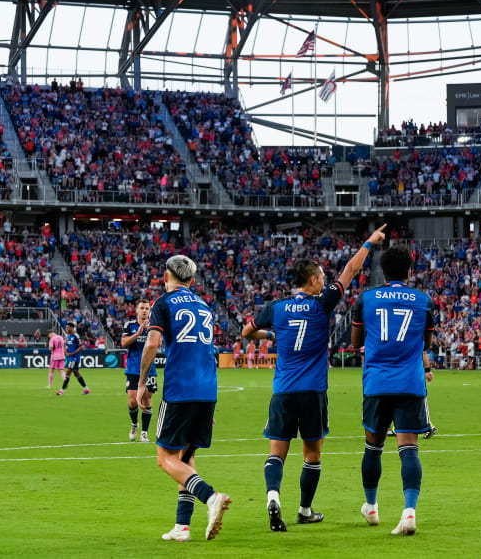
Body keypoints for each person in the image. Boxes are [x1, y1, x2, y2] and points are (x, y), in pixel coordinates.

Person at [243, 225, 386, 532]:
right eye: (321, 276)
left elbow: (246, 332)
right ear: (312, 280)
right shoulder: (322, 304)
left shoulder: (276, 307)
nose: (325, 280)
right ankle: (305, 509)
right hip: (313, 392)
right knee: (312, 454)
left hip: (282, 390)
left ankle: (272, 497)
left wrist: (273, 334)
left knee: (276, 453)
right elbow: (350, 269)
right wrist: (369, 241)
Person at [138, 255, 231, 542]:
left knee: (165, 458)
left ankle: (210, 496)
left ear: (166, 277)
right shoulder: (204, 306)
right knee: (187, 457)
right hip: (207, 389)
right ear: (192, 281)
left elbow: (152, 343)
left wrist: (142, 382)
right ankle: (182, 526)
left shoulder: (162, 304)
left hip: (180, 389)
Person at [350, 245, 434, 536]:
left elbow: (355, 339)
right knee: (409, 449)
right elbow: (428, 344)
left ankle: (371, 507)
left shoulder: (366, 299)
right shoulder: (423, 301)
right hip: (410, 383)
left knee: (373, 447)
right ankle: (409, 511)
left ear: (383, 271)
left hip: (377, 382)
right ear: (410, 271)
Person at [122, 300, 156, 441]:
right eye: (141, 308)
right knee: (132, 401)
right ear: (136, 310)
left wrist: (150, 333)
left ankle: (144, 432)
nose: (144, 311)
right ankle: (135, 423)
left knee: (147, 401)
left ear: (149, 311)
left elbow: (159, 343)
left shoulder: (154, 326)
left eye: (147, 308)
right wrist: (137, 334)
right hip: (133, 368)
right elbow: (124, 343)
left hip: (150, 369)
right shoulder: (129, 325)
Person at [59, 321, 90, 395]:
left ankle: (61, 390)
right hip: (70, 358)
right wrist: (66, 351)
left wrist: (73, 353)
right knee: (76, 374)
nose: (66, 328)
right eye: (66, 327)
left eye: (68, 327)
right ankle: (86, 389)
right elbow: (67, 346)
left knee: (68, 372)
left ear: (72, 328)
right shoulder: (68, 336)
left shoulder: (76, 335)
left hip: (75, 358)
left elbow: (81, 347)